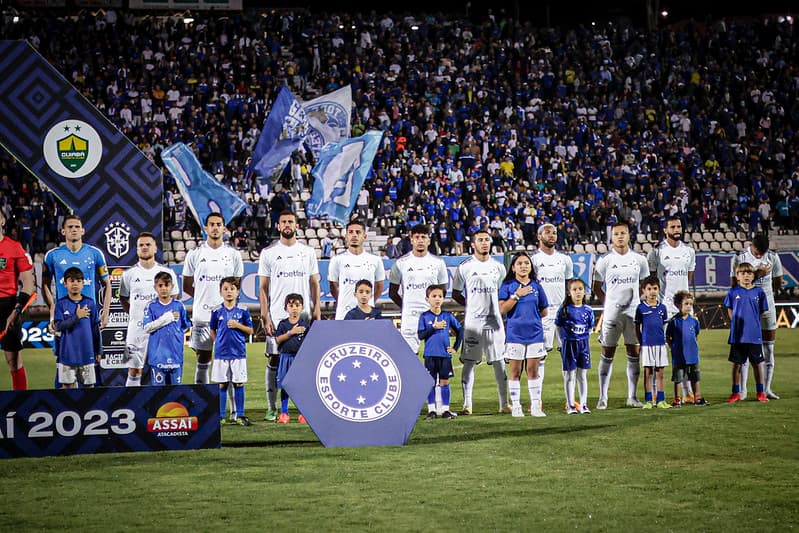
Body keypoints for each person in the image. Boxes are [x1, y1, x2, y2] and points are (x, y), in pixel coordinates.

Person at [259, 210, 321, 422]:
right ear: (278, 226)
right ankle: (272, 407)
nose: (287, 225)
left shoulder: (307, 252)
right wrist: (265, 316)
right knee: (274, 361)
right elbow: (263, 288)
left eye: (290, 222)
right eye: (283, 221)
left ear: (297, 226)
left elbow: (314, 283)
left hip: (302, 316)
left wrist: (317, 309)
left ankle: (302, 409)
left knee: (303, 362)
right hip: (277, 316)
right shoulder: (268, 253)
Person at [43, 215, 112, 386]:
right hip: (65, 317)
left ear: (83, 230)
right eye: (70, 226)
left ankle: (92, 409)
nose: (74, 229)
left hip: (89, 318)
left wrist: (106, 312)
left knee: (91, 369)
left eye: (77, 226)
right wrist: (52, 307)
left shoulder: (95, 254)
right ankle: (64, 409)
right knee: (64, 366)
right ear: (63, 231)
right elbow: (44, 284)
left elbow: (107, 284)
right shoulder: (52, 256)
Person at [592, 221, 650, 409]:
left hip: (633, 313)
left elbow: (645, 284)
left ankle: (632, 397)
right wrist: (608, 303)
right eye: (616, 234)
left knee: (634, 352)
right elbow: (596, 287)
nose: (620, 236)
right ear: (612, 237)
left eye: (623, 233)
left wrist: (639, 301)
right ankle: (603, 397)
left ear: (629, 235)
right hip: (612, 314)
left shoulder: (639, 259)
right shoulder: (605, 260)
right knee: (607, 352)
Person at [452, 229, 510, 415]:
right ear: (473, 244)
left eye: (487, 240)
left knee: (499, 361)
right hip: (473, 323)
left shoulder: (499, 267)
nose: (484, 243)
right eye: (480, 240)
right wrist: (469, 306)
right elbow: (455, 293)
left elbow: (502, 293)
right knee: (469, 362)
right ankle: (467, 405)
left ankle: (504, 404)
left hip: (494, 322)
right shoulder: (465, 267)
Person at [182, 212, 244, 385]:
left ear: (224, 228)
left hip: (227, 318)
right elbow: (187, 285)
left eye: (218, 224)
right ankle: (204, 404)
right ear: (206, 228)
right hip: (202, 316)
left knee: (230, 360)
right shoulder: (194, 254)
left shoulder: (233, 255)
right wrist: (202, 297)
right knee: (203, 358)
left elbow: (236, 285)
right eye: (212, 224)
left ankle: (232, 410)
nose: (215, 227)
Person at [647, 215, 697, 404]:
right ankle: (654, 392)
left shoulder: (689, 251)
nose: (677, 229)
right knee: (658, 351)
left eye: (679, 226)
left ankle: (687, 392)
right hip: (663, 308)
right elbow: (652, 280)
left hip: (684, 309)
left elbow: (689, 276)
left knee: (684, 351)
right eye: (673, 227)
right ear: (665, 230)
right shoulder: (656, 252)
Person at [119, 232, 179, 387]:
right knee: (133, 371)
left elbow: (174, 299)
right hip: (136, 330)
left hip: (161, 331)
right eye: (141, 245)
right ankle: (131, 408)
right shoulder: (128, 274)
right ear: (137, 249)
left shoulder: (168, 273)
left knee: (163, 368)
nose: (144, 247)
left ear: (155, 248)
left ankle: (162, 408)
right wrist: (136, 316)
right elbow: (123, 298)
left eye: (148, 244)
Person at [730, 233, 783, 400]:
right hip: (746, 308)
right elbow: (734, 285)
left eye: (762, 252)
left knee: (769, 348)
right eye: (757, 252)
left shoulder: (773, 257)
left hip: (767, 307)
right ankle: (743, 390)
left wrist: (764, 294)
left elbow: (778, 282)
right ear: (751, 245)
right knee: (745, 349)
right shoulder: (739, 257)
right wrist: (757, 275)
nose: (760, 255)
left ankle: (766, 389)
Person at [498, 251, 549, 417]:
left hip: (535, 334)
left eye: (526, 263)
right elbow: (502, 309)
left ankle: (535, 406)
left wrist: (530, 319)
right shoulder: (507, 286)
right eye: (519, 263)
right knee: (515, 371)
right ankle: (517, 406)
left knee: (533, 371)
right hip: (515, 335)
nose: (523, 266)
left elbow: (544, 310)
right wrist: (516, 296)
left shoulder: (536, 286)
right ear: (513, 267)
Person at [530, 223, 574, 406]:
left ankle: (570, 399)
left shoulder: (565, 260)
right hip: (543, 312)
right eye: (548, 232)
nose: (552, 235)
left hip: (563, 312)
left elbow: (569, 286)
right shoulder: (533, 260)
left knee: (568, 354)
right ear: (539, 236)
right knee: (541, 355)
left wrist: (570, 308)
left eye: (554, 232)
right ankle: (537, 399)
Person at [388, 224, 449, 354]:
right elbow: (392, 293)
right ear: (411, 240)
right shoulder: (401, 263)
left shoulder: (438, 263)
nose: (420, 240)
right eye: (417, 237)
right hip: (411, 317)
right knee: (409, 359)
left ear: (429, 240)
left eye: (423, 237)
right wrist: (405, 307)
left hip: (434, 317)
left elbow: (443, 290)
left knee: (435, 359)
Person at [210, 277, 254, 426]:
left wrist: (237, 325)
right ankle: (221, 416)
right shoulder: (216, 310)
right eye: (226, 289)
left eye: (232, 289)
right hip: (221, 354)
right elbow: (212, 329)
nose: (229, 292)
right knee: (222, 384)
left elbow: (250, 330)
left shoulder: (243, 310)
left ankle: (240, 415)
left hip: (238, 353)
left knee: (239, 383)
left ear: (237, 292)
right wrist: (217, 342)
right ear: (221, 292)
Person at [724, 263, 769, 403]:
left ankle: (760, 392)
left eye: (749, 273)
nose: (746, 276)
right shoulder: (733, 292)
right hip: (738, 335)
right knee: (737, 364)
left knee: (757, 364)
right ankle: (735, 392)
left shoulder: (759, 292)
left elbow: (762, 311)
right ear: (737, 276)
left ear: (753, 275)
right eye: (742, 273)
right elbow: (729, 309)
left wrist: (752, 322)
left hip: (754, 335)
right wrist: (735, 322)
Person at [0, 211, 35, 390]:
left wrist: (16, 311)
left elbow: (28, 284)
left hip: (7, 307)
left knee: (13, 361)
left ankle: (20, 404)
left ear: (3, 220)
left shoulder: (14, 247)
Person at [417, 285, 463, 420]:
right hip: (430, 355)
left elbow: (461, 330)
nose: (437, 299)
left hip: (444, 355)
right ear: (427, 299)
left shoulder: (447, 316)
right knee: (430, 382)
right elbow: (420, 335)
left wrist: (455, 347)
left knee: (444, 382)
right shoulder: (424, 316)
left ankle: (445, 410)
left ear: (443, 299)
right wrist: (433, 327)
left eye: (440, 296)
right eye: (434, 296)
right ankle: (431, 410)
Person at [53, 267, 101, 389]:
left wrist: (99, 351)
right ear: (65, 283)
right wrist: (77, 317)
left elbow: (95, 328)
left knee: (89, 390)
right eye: (71, 280)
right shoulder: (61, 304)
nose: (75, 284)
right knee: (67, 389)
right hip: (67, 356)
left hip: (87, 354)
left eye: (79, 281)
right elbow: (58, 326)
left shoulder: (90, 303)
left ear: (83, 283)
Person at [328, 219, 385, 320]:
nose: (354, 235)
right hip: (343, 313)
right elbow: (333, 287)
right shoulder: (337, 260)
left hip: (368, 314)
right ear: (346, 236)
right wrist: (342, 301)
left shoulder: (375, 260)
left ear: (364, 236)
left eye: (358, 232)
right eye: (350, 232)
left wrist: (370, 302)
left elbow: (379, 287)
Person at [142, 271, 191, 386]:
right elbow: (147, 328)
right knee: (158, 395)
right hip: (157, 358)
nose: (163, 288)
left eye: (166, 285)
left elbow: (185, 326)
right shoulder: (151, 306)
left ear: (172, 287)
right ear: (155, 287)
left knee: (176, 394)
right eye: (160, 285)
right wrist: (167, 318)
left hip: (176, 357)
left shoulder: (179, 306)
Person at [555, 279, 595, 414]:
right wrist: (561, 343)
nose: (578, 292)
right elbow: (558, 326)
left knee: (582, 375)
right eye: (574, 289)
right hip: (569, 344)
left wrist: (584, 338)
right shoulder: (565, 309)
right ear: (569, 292)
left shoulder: (588, 310)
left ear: (584, 292)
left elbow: (590, 328)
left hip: (583, 345)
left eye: (580, 289)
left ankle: (583, 404)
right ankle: (571, 405)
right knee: (570, 375)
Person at [665, 291, 709, 407]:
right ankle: (677, 399)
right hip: (679, 356)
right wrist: (673, 347)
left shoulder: (694, 321)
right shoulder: (674, 322)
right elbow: (668, 337)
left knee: (695, 377)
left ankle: (697, 398)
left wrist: (692, 347)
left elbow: (696, 335)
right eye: (686, 304)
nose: (689, 306)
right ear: (678, 305)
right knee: (678, 378)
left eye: (690, 304)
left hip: (692, 355)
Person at [634, 276, 671, 409]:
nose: (652, 292)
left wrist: (666, 341)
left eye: (655, 288)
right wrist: (640, 343)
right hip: (647, 345)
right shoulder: (640, 308)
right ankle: (649, 400)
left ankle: (661, 400)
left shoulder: (662, 308)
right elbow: (637, 327)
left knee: (660, 373)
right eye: (649, 289)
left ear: (659, 290)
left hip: (660, 344)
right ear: (644, 290)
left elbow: (664, 327)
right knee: (648, 373)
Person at [274, 293, 311, 424]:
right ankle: (284, 413)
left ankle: (303, 413)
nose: (294, 308)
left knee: (301, 386)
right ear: (286, 308)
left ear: (302, 308)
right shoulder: (283, 324)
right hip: (286, 358)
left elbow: (310, 343)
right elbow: (277, 340)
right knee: (286, 386)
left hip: (300, 360)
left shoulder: (305, 325)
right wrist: (291, 333)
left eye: (297, 305)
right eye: (291, 305)